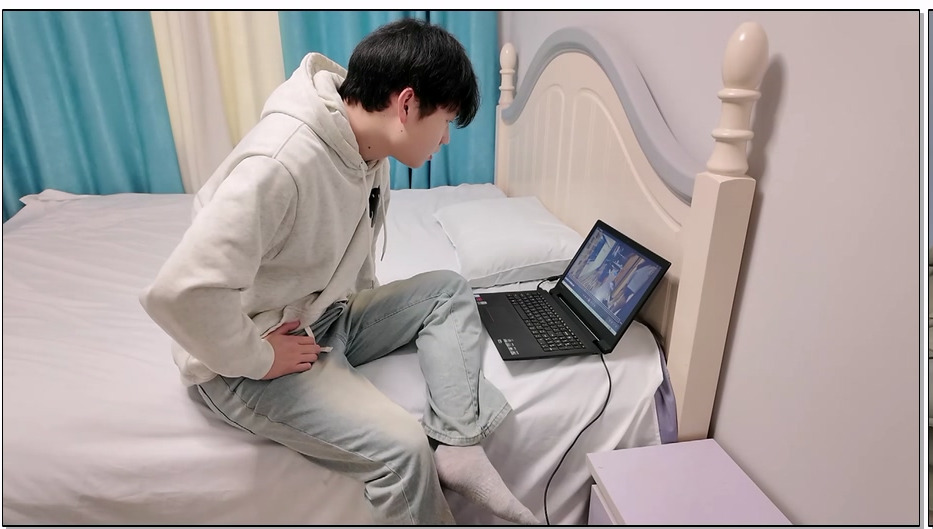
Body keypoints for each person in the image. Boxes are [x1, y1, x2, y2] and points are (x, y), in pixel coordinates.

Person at [140, 18, 539, 526]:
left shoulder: (365, 146)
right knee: (403, 450)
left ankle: (459, 445)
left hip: (324, 315)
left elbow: (352, 242)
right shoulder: (283, 162)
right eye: (445, 122)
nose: (443, 140)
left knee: (447, 290)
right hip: (246, 355)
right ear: (406, 105)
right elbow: (180, 292)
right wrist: (260, 357)